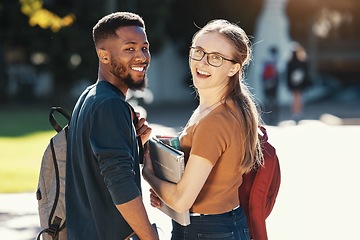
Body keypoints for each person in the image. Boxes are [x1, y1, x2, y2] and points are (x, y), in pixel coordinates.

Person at [143, 19, 263, 240]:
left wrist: (149, 174)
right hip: (218, 225)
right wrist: (166, 193)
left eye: (216, 57)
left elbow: (182, 200)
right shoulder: (226, 107)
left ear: (234, 67)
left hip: (206, 231)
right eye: (198, 51)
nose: (203, 62)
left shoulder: (215, 121)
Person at [65, 12, 158, 240]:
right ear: (104, 56)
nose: (141, 57)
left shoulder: (91, 96)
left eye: (144, 48)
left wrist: (134, 143)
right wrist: (150, 237)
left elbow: (98, 167)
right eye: (129, 49)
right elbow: (120, 183)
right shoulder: (109, 104)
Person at [286, 42, 309, 123]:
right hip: (299, 83)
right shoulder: (302, 62)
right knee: (298, 97)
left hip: (295, 83)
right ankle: (297, 112)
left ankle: (296, 112)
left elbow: (288, 74)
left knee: (296, 98)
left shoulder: (290, 63)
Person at [262, 46, 279, 125]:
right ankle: (274, 116)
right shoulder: (275, 61)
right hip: (274, 82)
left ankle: (268, 115)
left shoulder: (265, 61)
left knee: (267, 99)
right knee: (274, 99)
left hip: (266, 82)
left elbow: (261, 73)